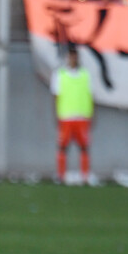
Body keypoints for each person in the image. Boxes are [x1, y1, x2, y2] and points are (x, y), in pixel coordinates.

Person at [51, 45, 94, 185]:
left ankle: (85, 176)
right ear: (67, 57)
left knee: (84, 147)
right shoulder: (60, 74)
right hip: (66, 116)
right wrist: (55, 114)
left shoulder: (85, 75)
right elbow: (56, 96)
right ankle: (61, 175)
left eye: (75, 56)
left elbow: (90, 95)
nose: (73, 59)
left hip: (82, 116)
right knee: (63, 146)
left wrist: (92, 114)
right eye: (71, 56)